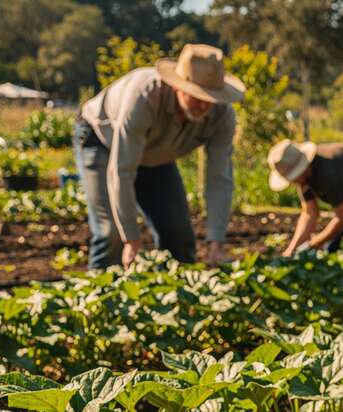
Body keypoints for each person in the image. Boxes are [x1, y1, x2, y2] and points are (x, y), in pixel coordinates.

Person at [75, 44, 245, 270]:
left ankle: (177, 298)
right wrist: (131, 239)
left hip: (155, 156)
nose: (204, 104)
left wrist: (216, 240)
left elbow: (219, 178)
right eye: (196, 95)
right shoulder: (144, 98)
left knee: (179, 235)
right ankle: (97, 297)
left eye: (211, 97)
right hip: (102, 142)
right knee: (111, 235)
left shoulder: (222, 115)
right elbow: (122, 171)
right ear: (178, 87)